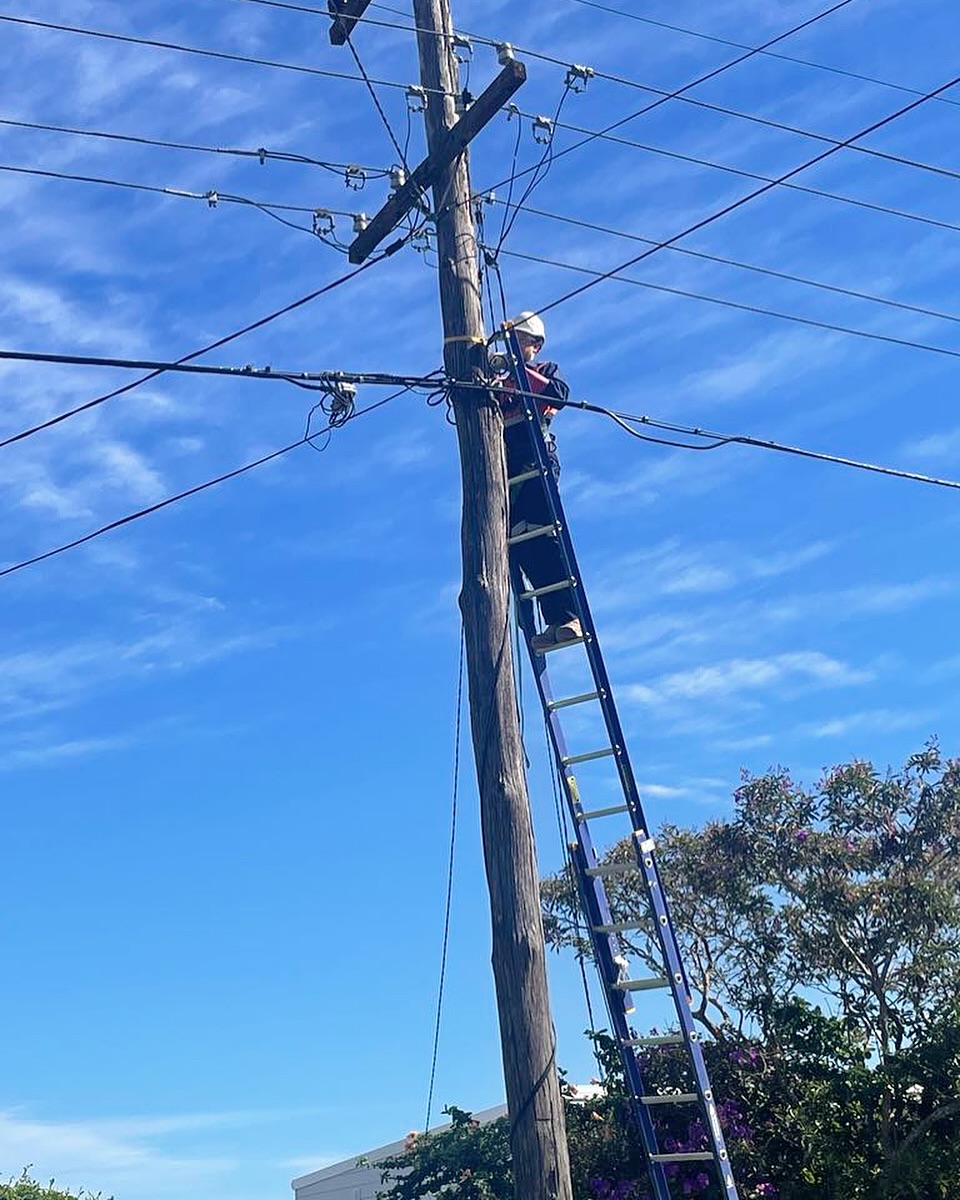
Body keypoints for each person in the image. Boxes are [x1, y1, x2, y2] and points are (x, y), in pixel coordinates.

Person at [499, 311, 583, 654]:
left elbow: (559, 394)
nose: (514, 347)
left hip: (536, 459)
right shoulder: (499, 379)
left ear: (535, 344)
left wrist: (517, 371)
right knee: (521, 544)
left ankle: (571, 616)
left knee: (544, 535)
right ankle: (553, 622)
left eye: (520, 341)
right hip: (508, 471)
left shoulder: (545, 370)